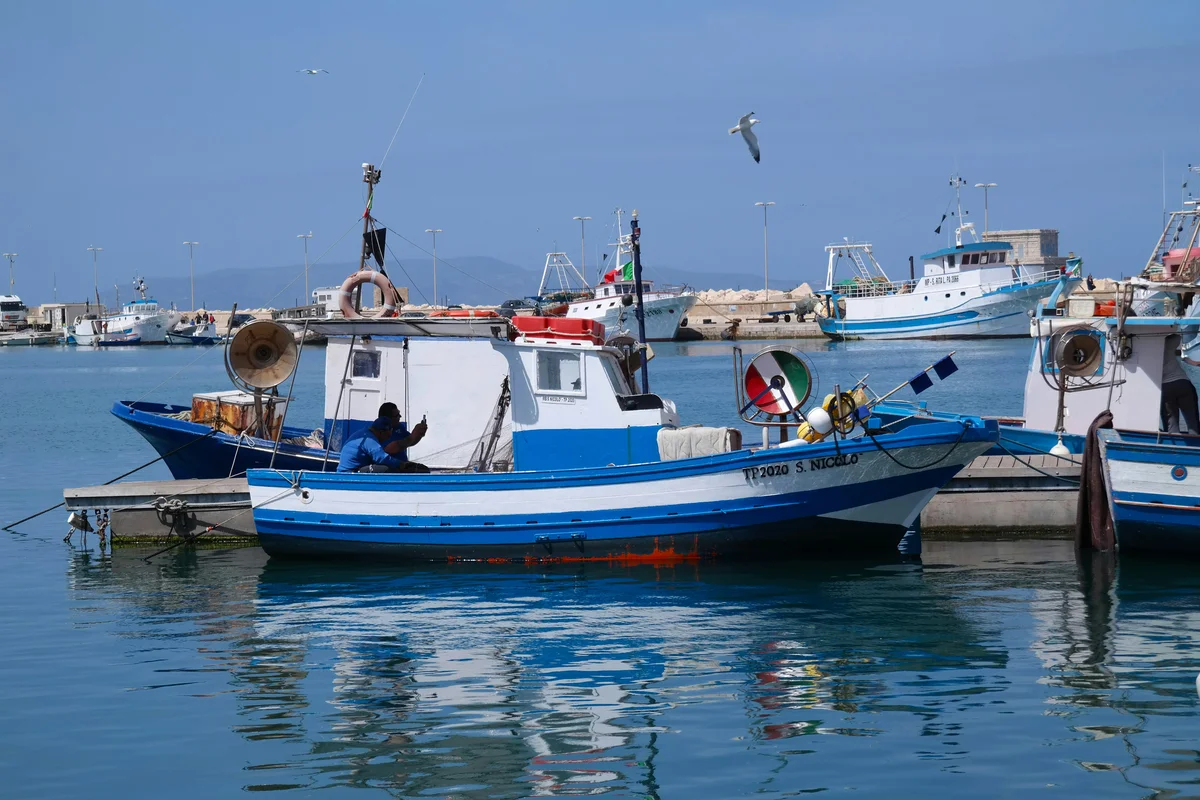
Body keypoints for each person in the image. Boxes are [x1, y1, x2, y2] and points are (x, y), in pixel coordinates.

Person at [337, 416, 430, 473]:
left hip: (357, 468)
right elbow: (382, 458)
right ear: (382, 432)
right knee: (387, 469)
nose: (389, 437)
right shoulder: (369, 440)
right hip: (349, 473)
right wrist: (402, 464)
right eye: (389, 434)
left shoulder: (365, 432)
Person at [1160, 333, 1200, 434]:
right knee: (1193, 423)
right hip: (1183, 384)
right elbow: (1178, 336)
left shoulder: (1148, 353)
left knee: (1171, 425)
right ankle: (1195, 446)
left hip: (1165, 388)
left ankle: (1173, 447)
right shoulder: (1167, 344)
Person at [377, 402, 429, 467]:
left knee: (422, 469)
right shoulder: (379, 431)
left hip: (402, 464)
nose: (400, 416)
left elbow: (411, 442)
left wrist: (419, 434)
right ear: (387, 418)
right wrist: (413, 436)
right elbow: (389, 449)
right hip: (389, 466)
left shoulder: (399, 427)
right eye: (397, 415)